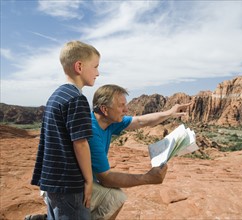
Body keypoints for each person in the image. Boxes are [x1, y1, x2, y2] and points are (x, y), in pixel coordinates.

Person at [89, 84, 191, 220]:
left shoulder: (108, 121)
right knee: (115, 197)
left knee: (114, 197)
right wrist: (147, 178)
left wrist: (169, 113)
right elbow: (106, 178)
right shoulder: (91, 132)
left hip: (87, 179)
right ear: (104, 109)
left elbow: (140, 121)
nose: (126, 110)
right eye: (121, 106)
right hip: (72, 185)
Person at [30, 40, 100, 220]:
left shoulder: (56, 96)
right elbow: (81, 144)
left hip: (53, 181)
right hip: (69, 183)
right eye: (95, 66)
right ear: (79, 66)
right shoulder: (77, 99)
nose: (98, 73)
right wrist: (89, 180)